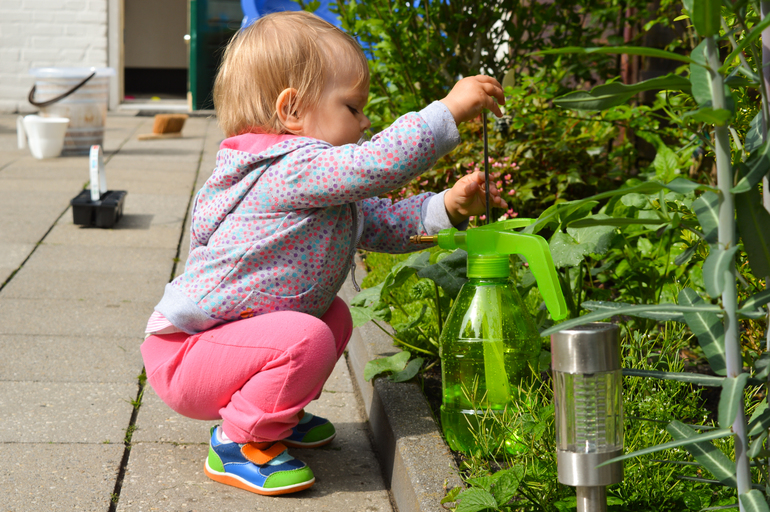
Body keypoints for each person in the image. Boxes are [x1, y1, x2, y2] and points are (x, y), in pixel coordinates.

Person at [140, 10, 507, 497]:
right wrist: (448, 110)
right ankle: (238, 441)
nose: (366, 121)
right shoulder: (288, 168)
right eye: (353, 107)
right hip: (189, 355)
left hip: (221, 350)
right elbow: (378, 164)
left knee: (334, 317)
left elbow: (383, 222)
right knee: (308, 336)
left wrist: (449, 206)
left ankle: (273, 413)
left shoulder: (315, 185)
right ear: (292, 110)